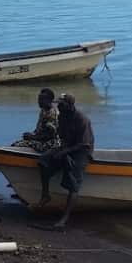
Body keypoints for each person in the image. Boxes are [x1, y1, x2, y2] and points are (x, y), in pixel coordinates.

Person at [37, 93, 93, 229]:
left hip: (81, 151)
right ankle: (45, 195)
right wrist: (62, 151)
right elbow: (62, 137)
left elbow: (84, 144)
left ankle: (64, 219)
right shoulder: (62, 116)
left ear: (70, 105)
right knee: (43, 160)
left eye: (61, 105)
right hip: (67, 147)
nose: (59, 107)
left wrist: (66, 153)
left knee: (73, 183)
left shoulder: (82, 119)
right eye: (58, 104)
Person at [13, 88, 59, 152]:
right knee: (17, 143)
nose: (38, 102)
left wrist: (32, 137)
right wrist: (32, 135)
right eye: (39, 99)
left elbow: (50, 135)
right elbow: (39, 129)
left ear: (49, 100)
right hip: (41, 139)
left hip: (50, 143)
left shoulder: (52, 113)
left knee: (17, 145)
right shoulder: (44, 110)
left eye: (41, 100)